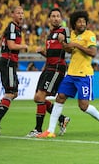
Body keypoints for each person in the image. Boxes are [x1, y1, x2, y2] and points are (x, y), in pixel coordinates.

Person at [37, 10, 99, 138]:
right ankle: (50, 131)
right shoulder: (71, 34)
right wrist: (63, 43)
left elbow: (93, 53)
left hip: (84, 75)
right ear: (74, 23)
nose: (82, 23)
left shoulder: (90, 35)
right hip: (71, 73)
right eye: (79, 21)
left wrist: (76, 44)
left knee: (83, 106)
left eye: (84, 21)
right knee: (60, 98)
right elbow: (69, 50)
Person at [26, 8, 71, 137]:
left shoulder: (64, 31)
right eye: (53, 16)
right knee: (37, 98)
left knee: (40, 97)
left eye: (58, 16)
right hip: (48, 67)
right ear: (49, 19)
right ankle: (62, 119)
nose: (56, 18)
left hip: (57, 68)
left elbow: (69, 50)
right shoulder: (50, 34)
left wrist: (63, 41)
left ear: (61, 18)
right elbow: (50, 54)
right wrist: (42, 52)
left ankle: (38, 129)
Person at [0, 6, 29, 135]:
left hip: (10, 62)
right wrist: (23, 46)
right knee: (10, 92)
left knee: (14, 93)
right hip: (8, 61)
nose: (21, 15)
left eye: (22, 13)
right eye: (18, 13)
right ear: (12, 15)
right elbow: (11, 45)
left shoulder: (16, 28)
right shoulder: (12, 27)